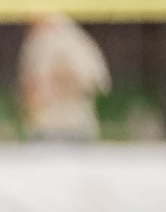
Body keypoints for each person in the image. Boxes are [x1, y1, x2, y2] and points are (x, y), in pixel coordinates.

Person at [18, 11, 111, 142]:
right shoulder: (38, 41)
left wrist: (58, 83)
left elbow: (95, 81)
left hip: (70, 126)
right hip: (46, 125)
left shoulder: (67, 39)